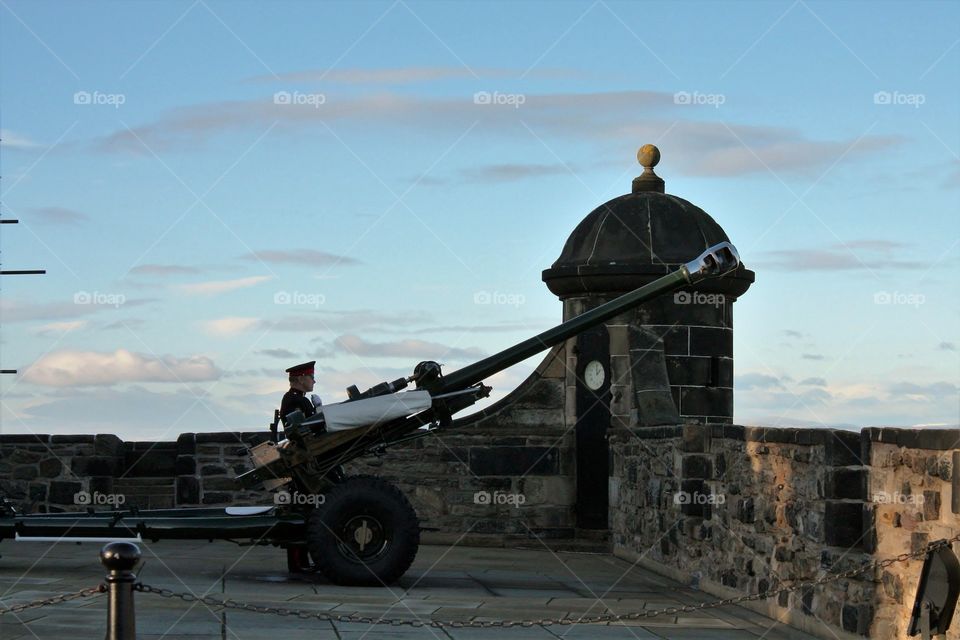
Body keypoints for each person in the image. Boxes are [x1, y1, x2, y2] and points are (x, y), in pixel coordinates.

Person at [280, 361, 322, 427]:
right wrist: (319, 409)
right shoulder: (296, 400)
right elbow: (305, 428)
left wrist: (317, 409)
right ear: (301, 379)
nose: (314, 381)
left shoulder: (294, 397)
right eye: (312, 377)